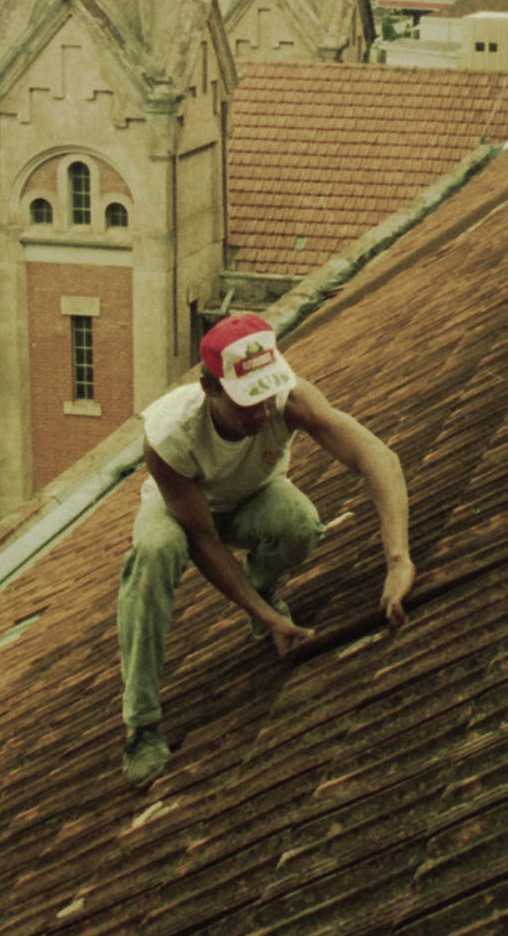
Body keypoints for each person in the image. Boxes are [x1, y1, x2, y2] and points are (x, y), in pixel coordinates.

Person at [118, 313, 414, 786]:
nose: (261, 412)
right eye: (245, 401)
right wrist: (275, 619)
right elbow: (204, 542)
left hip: (251, 498)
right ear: (209, 388)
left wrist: (398, 559)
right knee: (155, 553)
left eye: (265, 393)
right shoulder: (170, 435)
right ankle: (141, 723)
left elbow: (376, 456)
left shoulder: (289, 399)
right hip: (183, 512)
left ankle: (262, 598)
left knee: (299, 525)